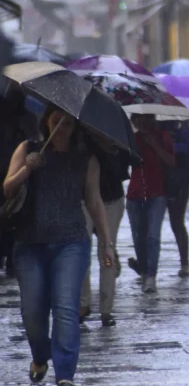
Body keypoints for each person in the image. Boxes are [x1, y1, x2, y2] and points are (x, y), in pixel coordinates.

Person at [4, 106, 116, 385]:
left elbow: (94, 200)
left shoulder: (85, 158)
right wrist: (28, 168)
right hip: (30, 244)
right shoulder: (28, 148)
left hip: (72, 243)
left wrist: (106, 242)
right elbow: (7, 188)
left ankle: (64, 374)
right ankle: (41, 356)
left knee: (66, 308)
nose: (63, 127)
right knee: (33, 312)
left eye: (68, 123)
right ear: (47, 120)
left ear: (75, 127)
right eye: (58, 121)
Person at [80, 134, 130, 327]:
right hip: (84, 200)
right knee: (82, 250)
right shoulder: (81, 137)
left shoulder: (117, 136)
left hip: (111, 200)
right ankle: (82, 304)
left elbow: (127, 165)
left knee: (107, 251)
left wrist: (112, 148)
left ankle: (106, 309)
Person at [126, 114, 175, 294]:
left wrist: (153, 144)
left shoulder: (163, 137)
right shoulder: (131, 139)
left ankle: (151, 277)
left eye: (148, 118)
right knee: (139, 237)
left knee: (153, 236)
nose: (144, 122)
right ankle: (144, 270)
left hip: (157, 194)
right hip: (135, 194)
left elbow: (171, 161)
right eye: (140, 119)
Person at [0, 90, 37, 279]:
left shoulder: (27, 119)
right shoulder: (29, 118)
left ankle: (12, 261)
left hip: (17, 177)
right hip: (15, 176)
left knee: (13, 218)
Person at [163, 120, 189, 277]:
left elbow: (186, 149)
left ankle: (185, 263)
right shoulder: (152, 129)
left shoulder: (183, 131)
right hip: (155, 181)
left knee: (177, 223)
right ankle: (145, 266)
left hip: (178, 183)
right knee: (149, 226)